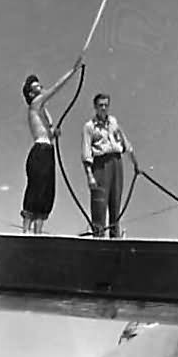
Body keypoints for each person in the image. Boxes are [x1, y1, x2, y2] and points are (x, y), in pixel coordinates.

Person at [19, 55, 84, 233]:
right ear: (31, 93)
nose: (41, 87)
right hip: (40, 151)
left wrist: (53, 130)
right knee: (37, 188)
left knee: (46, 191)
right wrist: (73, 71)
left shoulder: (42, 110)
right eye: (37, 87)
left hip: (47, 151)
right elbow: (56, 88)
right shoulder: (36, 103)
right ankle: (26, 232)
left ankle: (38, 232)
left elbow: (49, 128)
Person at [81, 93, 135, 238]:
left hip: (116, 163)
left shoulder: (113, 122)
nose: (103, 108)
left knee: (115, 205)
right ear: (95, 107)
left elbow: (125, 143)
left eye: (106, 105)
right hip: (100, 165)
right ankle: (99, 238)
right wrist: (90, 176)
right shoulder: (89, 127)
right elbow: (86, 154)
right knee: (99, 205)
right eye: (100, 105)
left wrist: (134, 162)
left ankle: (115, 238)